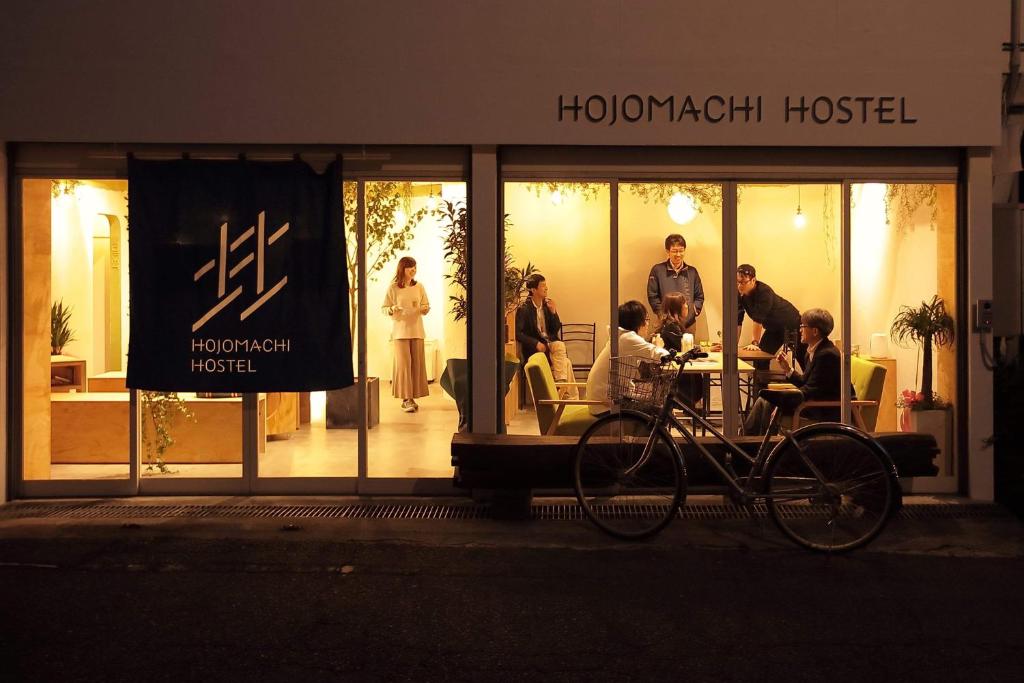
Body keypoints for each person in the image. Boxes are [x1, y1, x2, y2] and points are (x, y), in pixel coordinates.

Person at [743, 308, 855, 435]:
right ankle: (749, 441)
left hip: (826, 409)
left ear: (815, 331)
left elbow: (811, 390)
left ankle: (762, 446)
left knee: (769, 402)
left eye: (803, 326)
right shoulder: (813, 351)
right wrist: (787, 368)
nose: (799, 330)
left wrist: (783, 401)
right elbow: (806, 382)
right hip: (814, 403)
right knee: (763, 400)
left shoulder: (827, 355)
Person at [587, 300, 670, 415]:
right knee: (659, 411)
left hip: (603, 401)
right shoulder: (628, 338)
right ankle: (649, 433)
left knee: (652, 403)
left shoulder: (620, 337)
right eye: (646, 319)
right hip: (606, 406)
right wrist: (659, 345)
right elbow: (659, 354)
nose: (647, 324)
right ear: (637, 322)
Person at [514, 274, 576, 398]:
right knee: (566, 363)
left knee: (559, 345)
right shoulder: (524, 308)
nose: (546, 288)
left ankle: (562, 388)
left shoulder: (547, 306)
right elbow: (518, 333)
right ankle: (568, 396)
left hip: (550, 344)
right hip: (537, 349)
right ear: (533, 290)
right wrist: (535, 343)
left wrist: (553, 313)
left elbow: (555, 329)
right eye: (543, 285)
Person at [382, 256, 430, 413]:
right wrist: (391, 309)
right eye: (411, 268)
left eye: (415, 268)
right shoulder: (393, 288)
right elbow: (384, 307)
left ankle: (412, 397)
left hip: (417, 330)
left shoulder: (419, 287)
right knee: (403, 366)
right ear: (402, 269)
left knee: (416, 365)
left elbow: (425, 304)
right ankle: (405, 399)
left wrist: (424, 309)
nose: (414, 271)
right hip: (400, 332)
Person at [735, 264, 801, 357]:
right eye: (737, 282)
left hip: (791, 323)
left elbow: (758, 320)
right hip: (773, 328)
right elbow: (737, 320)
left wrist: (754, 343)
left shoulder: (763, 292)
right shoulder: (739, 294)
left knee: (803, 357)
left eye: (742, 282)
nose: (739, 286)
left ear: (753, 280)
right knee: (761, 357)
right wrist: (733, 345)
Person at [647, 234, 704, 331]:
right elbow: (652, 295)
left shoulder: (692, 271)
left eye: (681, 250)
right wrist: (662, 315)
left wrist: (693, 311)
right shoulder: (657, 270)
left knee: (689, 346)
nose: (678, 254)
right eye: (674, 251)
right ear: (667, 251)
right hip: (665, 323)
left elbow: (699, 296)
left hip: (688, 324)